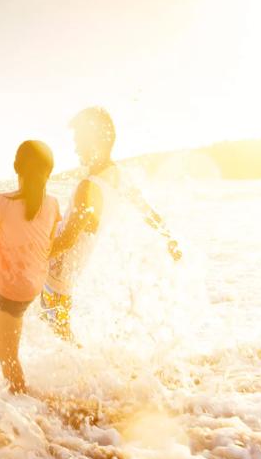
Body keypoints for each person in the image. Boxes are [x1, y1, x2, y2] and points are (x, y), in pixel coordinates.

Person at [42, 107, 181, 341]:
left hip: (56, 274)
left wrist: (33, 256)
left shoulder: (89, 186)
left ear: (94, 141)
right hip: (68, 274)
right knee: (60, 335)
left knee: (60, 336)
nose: (76, 148)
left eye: (80, 141)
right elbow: (149, 213)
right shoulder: (119, 178)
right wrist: (169, 239)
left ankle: (86, 376)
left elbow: (68, 238)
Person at [0, 141, 60, 394]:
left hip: (13, 290)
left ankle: (23, 398)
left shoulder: (2, 202)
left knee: (7, 355)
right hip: (35, 281)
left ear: (15, 168)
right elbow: (46, 240)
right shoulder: (53, 204)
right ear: (49, 172)